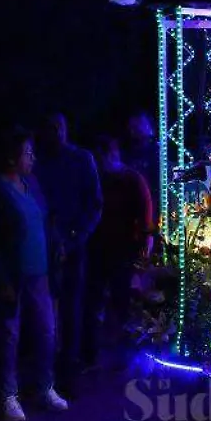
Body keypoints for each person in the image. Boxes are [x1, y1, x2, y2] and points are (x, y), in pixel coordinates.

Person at [0, 127, 68, 421]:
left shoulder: (32, 185)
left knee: (46, 332)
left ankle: (45, 387)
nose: (32, 157)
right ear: (10, 157)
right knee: (9, 336)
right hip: (13, 275)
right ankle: (8, 395)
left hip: (40, 274)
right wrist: (0, 278)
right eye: (27, 152)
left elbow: (44, 219)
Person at [33, 113, 101, 395]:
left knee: (71, 309)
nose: (54, 133)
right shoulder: (37, 162)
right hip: (42, 243)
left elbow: (94, 205)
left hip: (72, 244)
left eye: (58, 127)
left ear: (66, 129)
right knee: (43, 309)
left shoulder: (82, 159)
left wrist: (75, 238)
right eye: (49, 128)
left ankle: (66, 373)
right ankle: (43, 372)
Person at [83, 136, 153, 369]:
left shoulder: (131, 179)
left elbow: (144, 215)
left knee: (122, 302)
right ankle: (92, 354)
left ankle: (124, 354)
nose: (102, 159)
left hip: (123, 249)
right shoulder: (97, 178)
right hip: (97, 247)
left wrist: (144, 247)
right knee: (93, 301)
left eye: (105, 154)